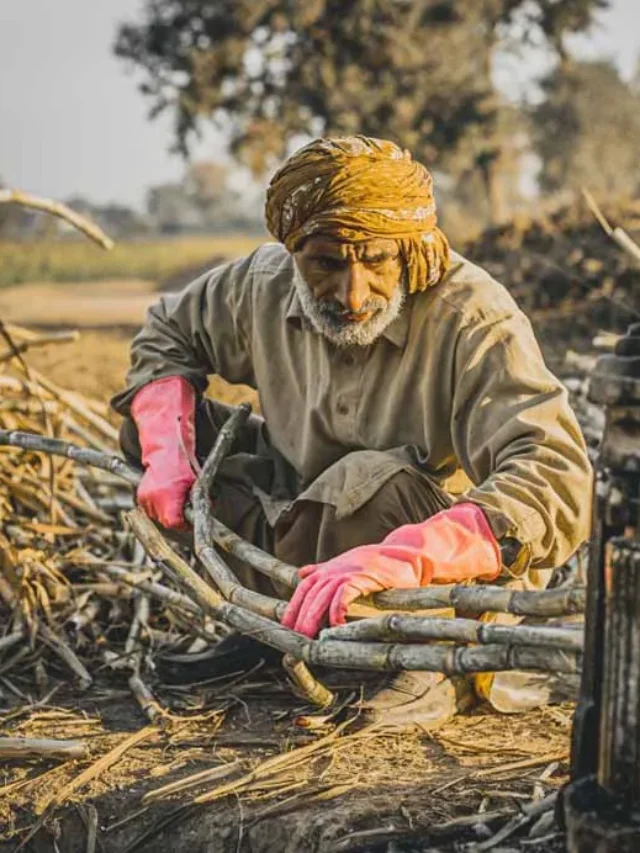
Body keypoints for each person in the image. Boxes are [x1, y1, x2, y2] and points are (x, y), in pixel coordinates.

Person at [112, 136, 591, 723]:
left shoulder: (472, 315)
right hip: (299, 533)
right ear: (293, 254)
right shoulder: (261, 285)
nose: (353, 294)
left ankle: (426, 662)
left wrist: (408, 556)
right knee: (151, 426)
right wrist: (168, 453)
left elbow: (556, 475)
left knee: (367, 478)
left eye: (377, 261)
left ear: (409, 250)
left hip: (416, 568)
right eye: (327, 263)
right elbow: (168, 333)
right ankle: (272, 624)